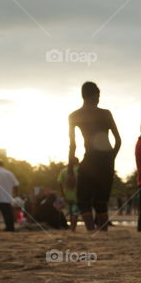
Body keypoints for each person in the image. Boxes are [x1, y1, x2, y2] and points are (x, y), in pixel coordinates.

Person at [69, 82, 121, 231]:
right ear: (93, 95)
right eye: (98, 96)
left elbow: (73, 146)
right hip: (106, 161)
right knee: (101, 200)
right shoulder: (106, 113)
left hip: (89, 159)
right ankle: (103, 231)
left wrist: (71, 171)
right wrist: (111, 158)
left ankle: (91, 230)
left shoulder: (74, 116)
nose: (99, 99)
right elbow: (118, 140)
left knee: (82, 199)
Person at [57, 161, 81, 231]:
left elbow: (59, 183)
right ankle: (73, 227)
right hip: (77, 195)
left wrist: (63, 194)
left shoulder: (64, 170)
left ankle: (71, 227)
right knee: (75, 213)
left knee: (70, 212)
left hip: (66, 194)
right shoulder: (79, 170)